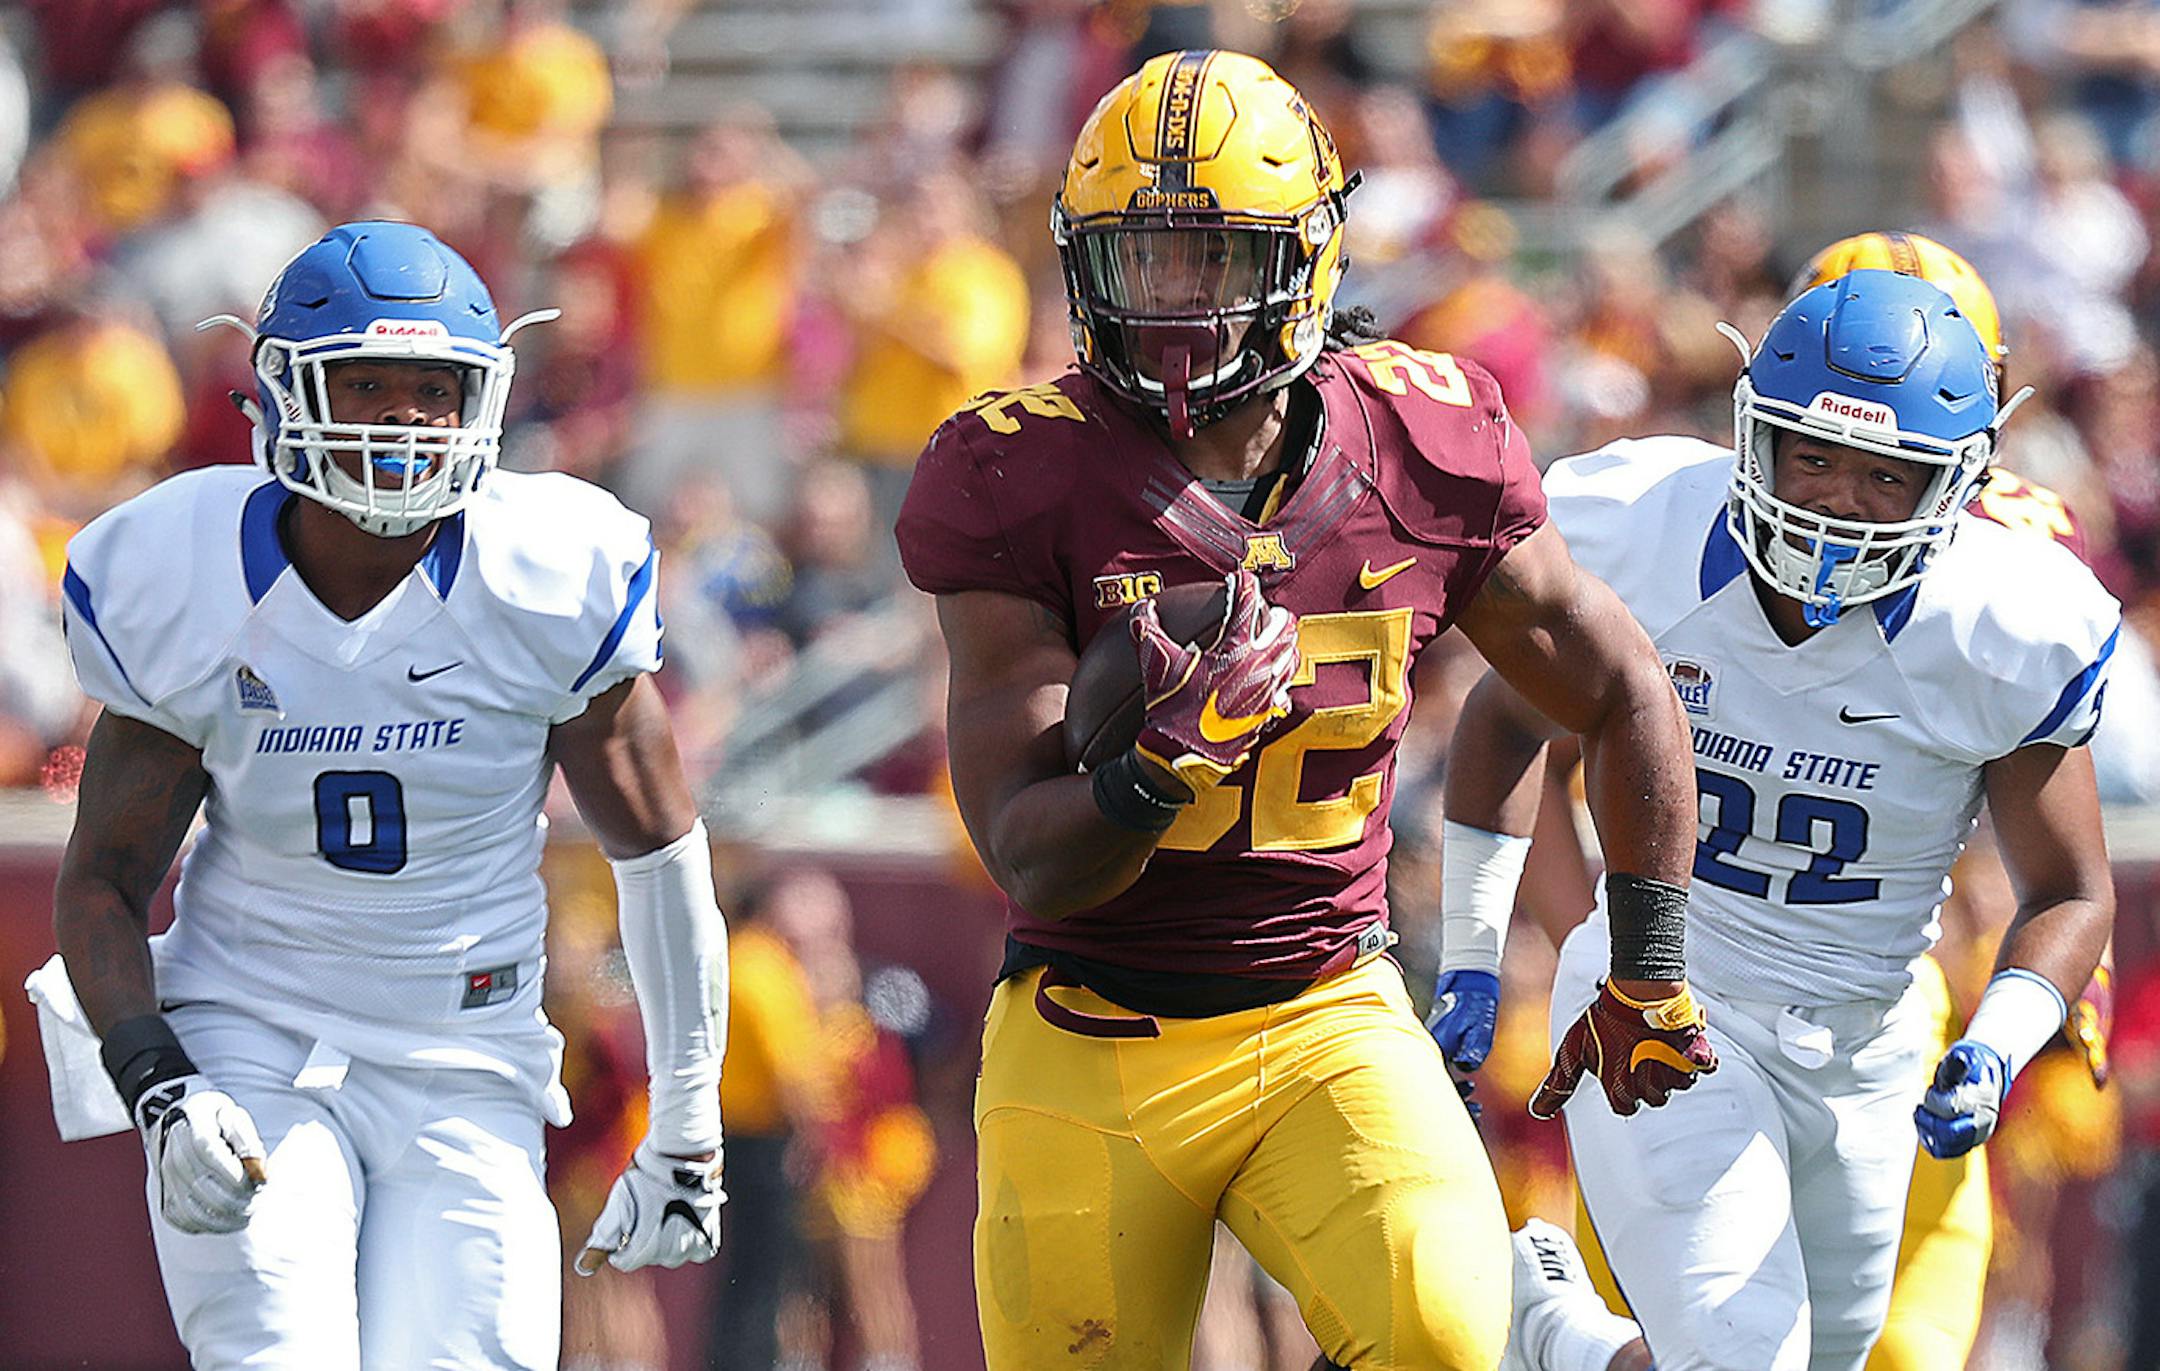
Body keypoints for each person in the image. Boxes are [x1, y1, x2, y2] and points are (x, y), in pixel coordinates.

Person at [895, 49, 1716, 1371]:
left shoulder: (1420, 437)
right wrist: (1160, 761)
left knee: (1443, 1338)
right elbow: (1026, 843)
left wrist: (1651, 959)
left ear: (1304, 260)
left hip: (1326, 998)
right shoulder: (1019, 466)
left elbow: (1621, 688)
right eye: (1140, 257)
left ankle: (1528, 1313)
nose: (1170, 299)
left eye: (1209, 259)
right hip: (1090, 1015)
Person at [41, 221, 729, 1368]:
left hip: (469, 1056)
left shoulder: (547, 572)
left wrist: (689, 1124)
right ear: (277, 393)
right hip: (250, 1031)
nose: (404, 420)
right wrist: (157, 1082)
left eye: (435, 390)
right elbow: (103, 879)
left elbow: (660, 856)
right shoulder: (185, 574)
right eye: (366, 384)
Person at [1435, 269, 2118, 1371]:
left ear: (1958, 483)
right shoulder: (1643, 527)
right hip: (1664, 989)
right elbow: (1505, 721)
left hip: (1868, 1040)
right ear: (1755, 433)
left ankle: (1549, 1333)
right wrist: (1475, 955)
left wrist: (1993, 1047)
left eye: (1886, 474)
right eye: (1814, 455)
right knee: (1745, 1358)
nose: (1840, 499)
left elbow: (2072, 889)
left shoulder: (2010, 623)